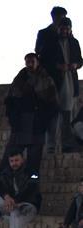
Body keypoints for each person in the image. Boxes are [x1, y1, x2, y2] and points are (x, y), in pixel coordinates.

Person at [4, 53, 57, 175]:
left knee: (34, 158)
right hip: (20, 122)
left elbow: (52, 102)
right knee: (12, 153)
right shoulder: (20, 78)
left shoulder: (46, 79)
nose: (30, 64)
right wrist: (13, 118)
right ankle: (8, 181)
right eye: (27, 61)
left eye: (32, 61)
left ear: (37, 62)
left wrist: (44, 119)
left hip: (37, 122)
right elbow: (10, 99)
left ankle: (32, 184)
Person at [39, 17, 82, 153]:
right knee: (53, 116)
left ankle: (67, 145)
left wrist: (76, 65)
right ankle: (50, 146)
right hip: (55, 84)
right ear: (58, 29)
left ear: (70, 29)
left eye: (67, 28)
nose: (65, 31)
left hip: (70, 82)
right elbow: (43, 62)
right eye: (62, 28)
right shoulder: (50, 43)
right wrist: (58, 66)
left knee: (67, 115)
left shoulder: (74, 42)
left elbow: (80, 60)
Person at [0, 150, 41, 228]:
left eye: (17, 160)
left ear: (22, 159)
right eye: (12, 161)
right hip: (12, 205)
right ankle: (8, 216)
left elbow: (31, 189)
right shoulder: (5, 172)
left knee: (15, 212)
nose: (14, 163)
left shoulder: (32, 172)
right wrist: (6, 196)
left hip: (28, 205)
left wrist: (17, 201)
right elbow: (0, 186)